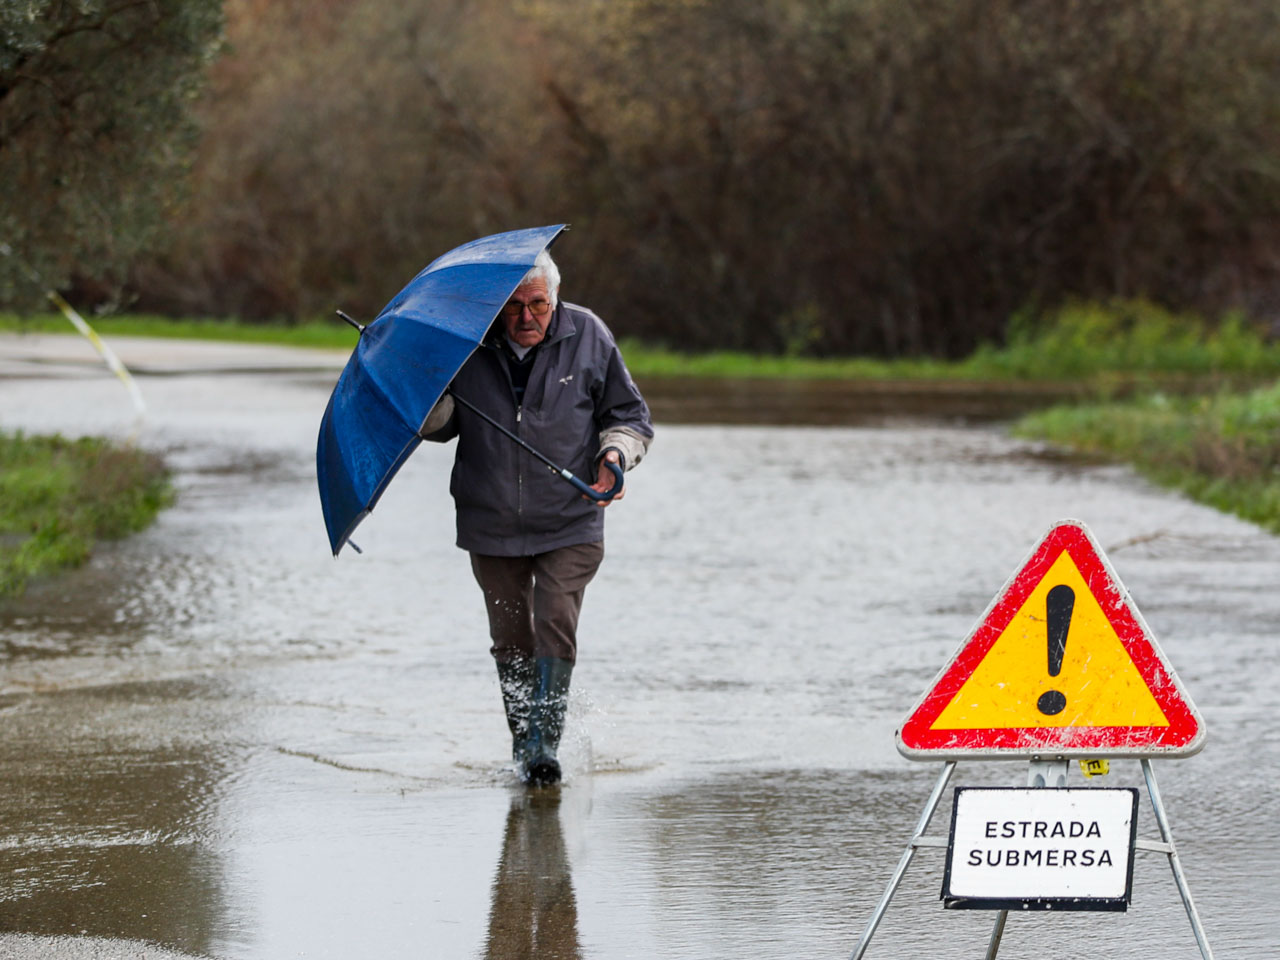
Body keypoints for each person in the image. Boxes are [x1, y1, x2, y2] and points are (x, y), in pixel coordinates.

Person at [420, 249, 653, 785]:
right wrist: (426, 392)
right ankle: (523, 745)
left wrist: (614, 456)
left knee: (554, 624)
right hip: (490, 521)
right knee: (510, 640)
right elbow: (441, 426)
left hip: (570, 518)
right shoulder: (467, 346)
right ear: (499, 307)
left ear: (555, 298)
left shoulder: (590, 335)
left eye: (539, 305)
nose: (527, 318)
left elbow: (630, 417)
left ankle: (544, 747)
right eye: (515, 307)